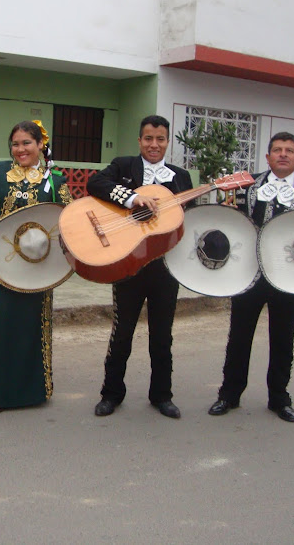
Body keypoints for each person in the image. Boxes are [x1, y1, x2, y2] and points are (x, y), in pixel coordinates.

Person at [208, 131, 294, 423]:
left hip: (289, 278)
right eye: (277, 149)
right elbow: (229, 223)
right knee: (239, 337)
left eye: (289, 150)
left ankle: (279, 398)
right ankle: (229, 394)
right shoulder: (245, 186)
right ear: (267, 157)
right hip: (249, 275)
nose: (283, 154)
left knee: (283, 339)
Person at [0, 120, 72, 411]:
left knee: (32, 327)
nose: (20, 149)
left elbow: (70, 219)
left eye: (27, 143)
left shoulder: (55, 181)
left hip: (39, 267)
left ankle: (33, 393)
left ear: (40, 146)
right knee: (0, 325)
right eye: (15, 143)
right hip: (1, 264)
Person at [87, 115, 193, 419]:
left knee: (162, 336)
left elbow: (187, 216)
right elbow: (95, 183)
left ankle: (162, 395)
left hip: (165, 267)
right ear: (139, 141)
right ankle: (111, 394)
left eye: (160, 139)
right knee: (122, 334)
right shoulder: (123, 166)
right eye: (148, 138)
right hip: (128, 263)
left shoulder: (180, 176)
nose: (154, 145)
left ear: (167, 141)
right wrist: (133, 198)